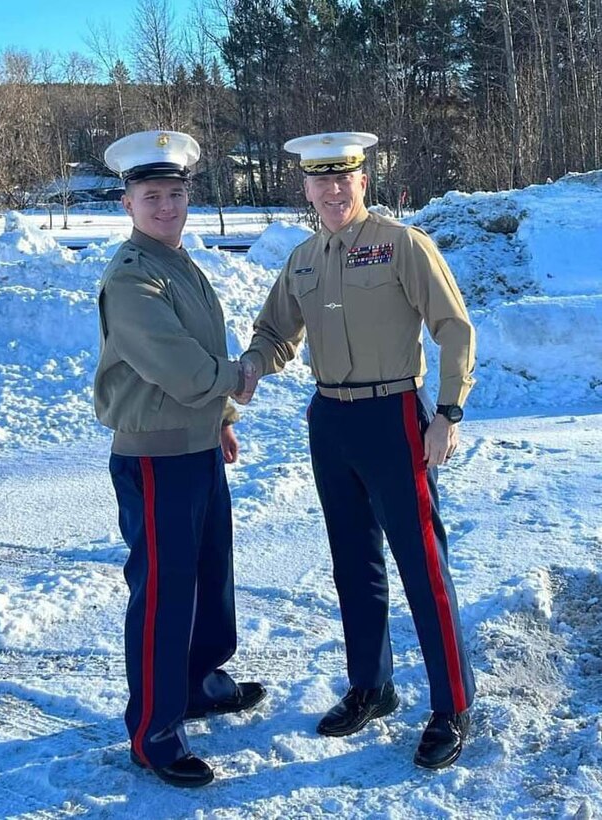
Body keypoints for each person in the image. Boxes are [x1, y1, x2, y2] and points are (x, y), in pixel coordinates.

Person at [235, 131, 476, 769]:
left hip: (394, 414)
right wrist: (252, 368)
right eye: (320, 181)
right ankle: (372, 685)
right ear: (306, 190)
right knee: (353, 561)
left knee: (422, 561)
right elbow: (274, 330)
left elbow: (453, 327)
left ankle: (453, 705)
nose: (333, 191)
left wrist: (447, 411)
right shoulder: (304, 259)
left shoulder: (401, 246)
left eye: (344, 178)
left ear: (362, 181)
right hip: (330, 419)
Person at [94, 130, 264, 787]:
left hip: (192, 445)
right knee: (165, 596)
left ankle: (198, 681)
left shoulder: (178, 262)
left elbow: (198, 344)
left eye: (175, 194)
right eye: (150, 195)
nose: (166, 206)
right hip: (154, 458)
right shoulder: (132, 275)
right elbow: (178, 363)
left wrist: (218, 420)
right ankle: (154, 730)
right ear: (127, 203)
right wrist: (237, 378)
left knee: (209, 576)